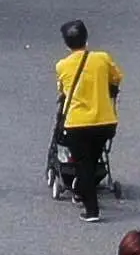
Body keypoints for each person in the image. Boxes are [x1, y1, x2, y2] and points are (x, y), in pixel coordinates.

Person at [50, 18, 123, 216]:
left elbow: (62, 88)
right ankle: (82, 189)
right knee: (92, 158)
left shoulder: (62, 66)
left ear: (66, 44)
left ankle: (92, 210)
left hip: (78, 123)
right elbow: (117, 77)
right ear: (86, 39)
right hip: (105, 121)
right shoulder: (102, 58)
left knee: (83, 164)